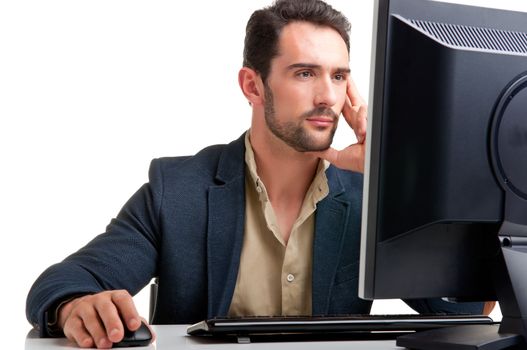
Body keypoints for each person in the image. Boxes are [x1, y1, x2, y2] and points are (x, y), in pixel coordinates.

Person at [26, 0, 491, 348]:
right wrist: (75, 305)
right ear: (253, 85)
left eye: (338, 76)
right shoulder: (179, 190)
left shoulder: (371, 194)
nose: (328, 96)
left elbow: (466, 310)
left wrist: (400, 178)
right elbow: (63, 282)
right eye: (306, 74)